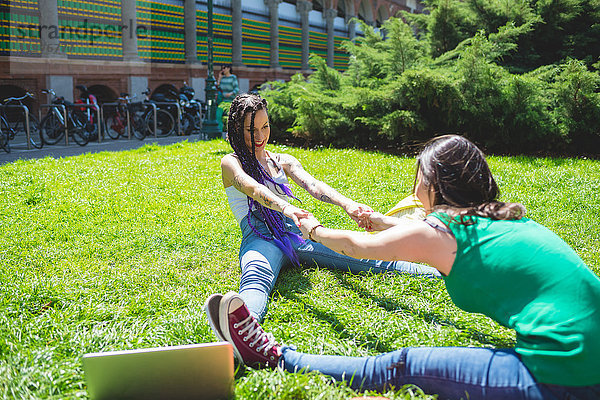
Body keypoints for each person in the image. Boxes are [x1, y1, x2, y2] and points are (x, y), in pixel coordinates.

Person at [207, 135, 600, 399]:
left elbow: (358, 247)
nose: (413, 192)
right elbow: (427, 232)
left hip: (567, 378)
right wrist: (383, 220)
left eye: (418, 180)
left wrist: (315, 229)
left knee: (402, 365)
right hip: (588, 360)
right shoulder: (498, 217)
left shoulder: (437, 235)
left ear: (435, 183)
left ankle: (274, 356)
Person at [204, 93, 439, 331]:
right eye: (251, 130)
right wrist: (286, 207)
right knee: (256, 277)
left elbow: (313, 185)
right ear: (236, 128)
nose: (261, 136)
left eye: (265, 126)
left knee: (367, 256)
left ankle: (441, 271)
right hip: (261, 238)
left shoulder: (281, 160)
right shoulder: (231, 162)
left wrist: (347, 204)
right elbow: (251, 187)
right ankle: (241, 332)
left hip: (296, 233)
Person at [216, 64, 240, 131]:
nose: (223, 70)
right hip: (222, 101)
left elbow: (236, 89)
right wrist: (219, 78)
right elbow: (217, 87)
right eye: (222, 68)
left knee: (230, 118)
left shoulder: (233, 77)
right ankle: (219, 132)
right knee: (218, 115)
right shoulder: (222, 78)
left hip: (231, 101)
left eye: (224, 68)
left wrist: (230, 94)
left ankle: (231, 132)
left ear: (229, 68)